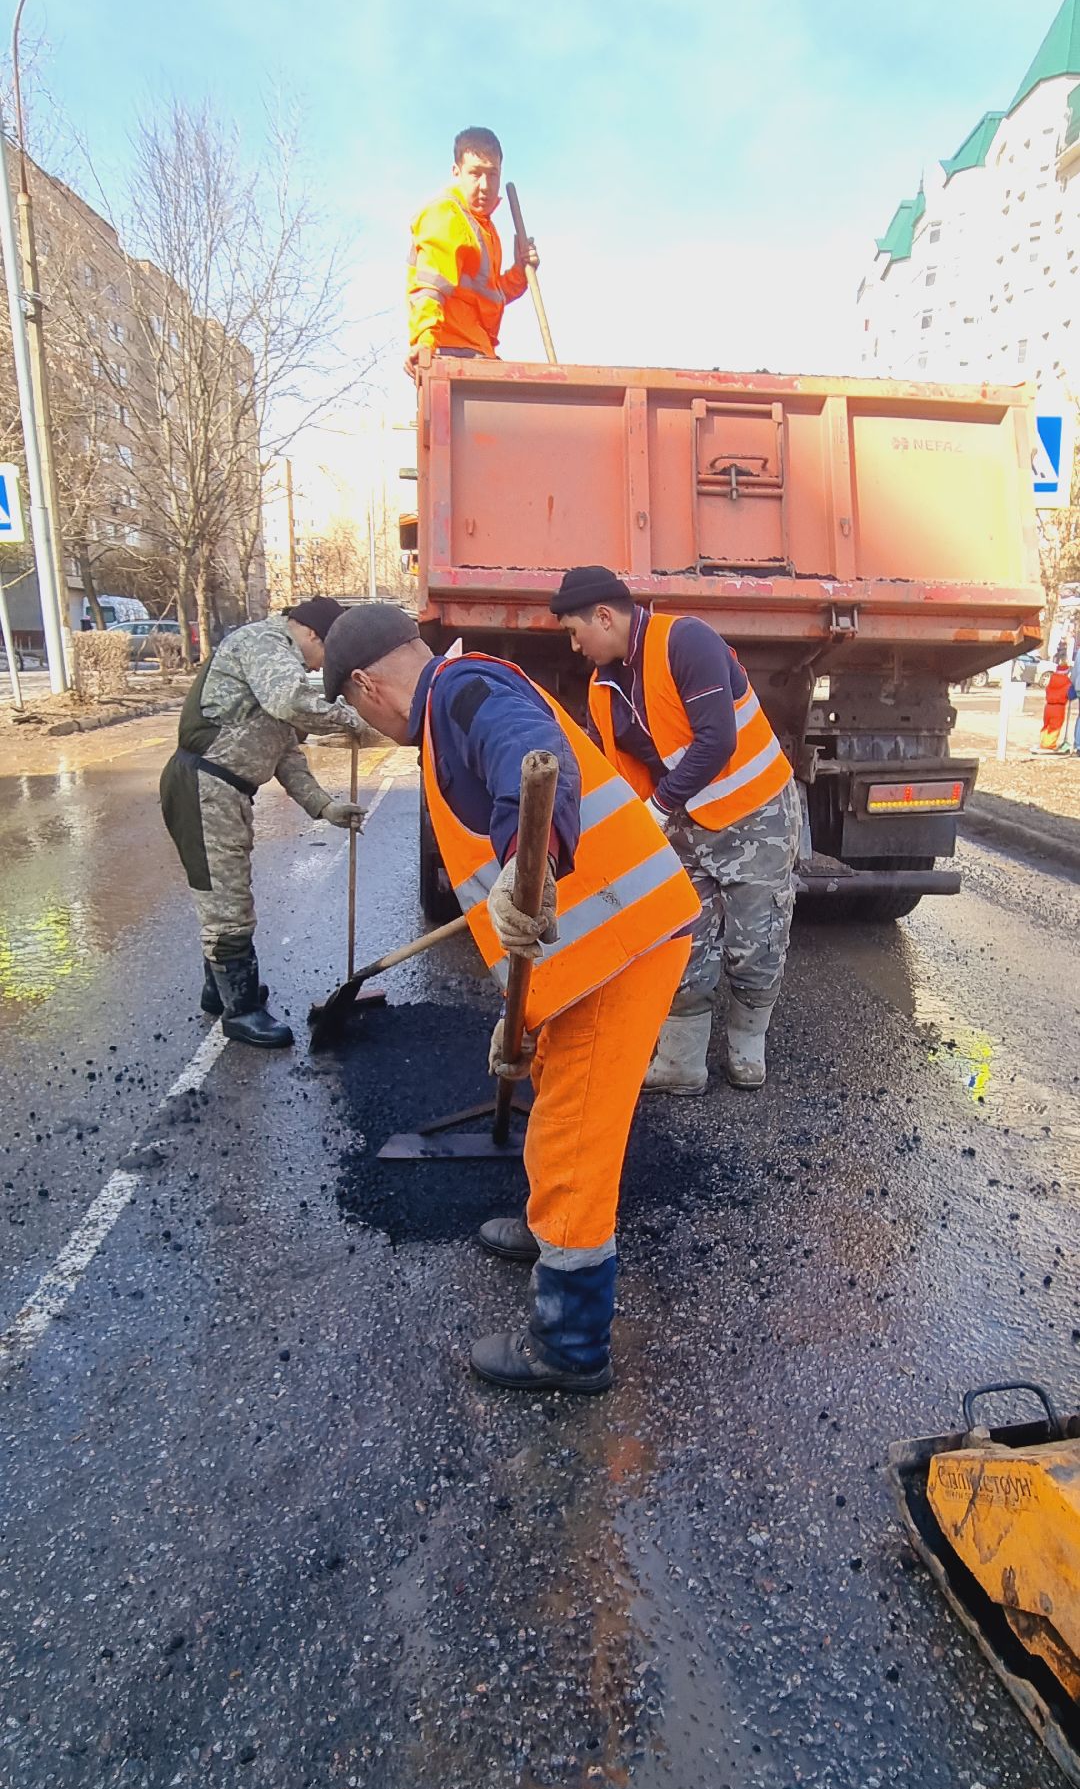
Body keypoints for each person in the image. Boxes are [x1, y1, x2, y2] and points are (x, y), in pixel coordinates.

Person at [322, 603, 699, 1395]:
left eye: (353, 708)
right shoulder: (445, 711)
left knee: (574, 1140)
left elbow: (533, 756)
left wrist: (536, 862)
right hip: (594, 951)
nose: (361, 721)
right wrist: (518, 1020)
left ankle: (570, 1344)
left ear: (366, 685)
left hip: (621, 947)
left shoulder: (464, 690)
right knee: (557, 1085)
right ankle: (547, 1230)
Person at [550, 565, 799, 1094]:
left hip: (756, 818)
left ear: (603, 616)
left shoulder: (686, 641)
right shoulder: (603, 689)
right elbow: (607, 773)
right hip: (683, 828)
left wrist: (659, 806)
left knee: (755, 939)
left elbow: (717, 740)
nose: (574, 647)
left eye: (575, 632)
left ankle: (746, 1051)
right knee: (682, 940)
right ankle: (682, 1064)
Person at [159, 597, 367, 1049]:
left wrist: (325, 807)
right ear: (313, 633)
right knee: (226, 900)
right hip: (204, 786)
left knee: (225, 890)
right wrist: (352, 719)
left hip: (224, 789)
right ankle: (241, 1012)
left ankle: (221, 990)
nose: (322, 668)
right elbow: (291, 701)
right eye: (328, 654)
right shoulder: (266, 643)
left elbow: (285, 752)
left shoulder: (277, 659)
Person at [405, 126, 538, 379]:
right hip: (451, 353)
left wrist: (521, 271)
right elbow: (430, 287)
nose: (486, 186)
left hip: (477, 350)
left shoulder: (483, 227)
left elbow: (488, 295)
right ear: (456, 173)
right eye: (475, 174)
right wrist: (424, 341)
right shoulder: (446, 215)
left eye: (492, 174)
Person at [1036, 647, 1073, 752]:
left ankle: (1043, 742)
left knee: (1046, 725)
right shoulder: (1067, 682)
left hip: (1048, 707)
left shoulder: (1051, 680)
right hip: (1058, 707)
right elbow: (1071, 695)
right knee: (1055, 727)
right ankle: (1049, 745)